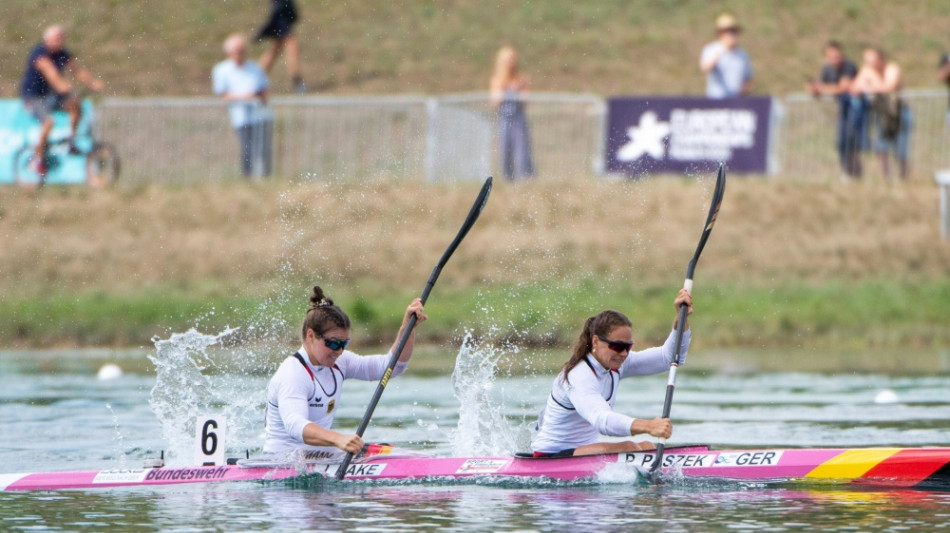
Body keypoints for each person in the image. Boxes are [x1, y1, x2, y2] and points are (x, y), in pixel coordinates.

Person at [262, 286, 426, 459]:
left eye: (344, 344)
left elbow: (392, 367)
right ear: (311, 336)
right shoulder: (293, 372)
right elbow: (295, 425)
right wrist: (338, 439)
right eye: (333, 344)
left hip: (316, 456)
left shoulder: (340, 362)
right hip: (281, 460)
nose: (339, 351)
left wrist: (407, 328)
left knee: (386, 452)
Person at [531, 290, 694, 457]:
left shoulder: (617, 364)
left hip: (581, 453)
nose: (624, 353)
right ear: (596, 341)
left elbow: (668, 358)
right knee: (629, 446)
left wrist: (681, 320)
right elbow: (602, 420)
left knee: (646, 446)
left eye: (628, 347)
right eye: (617, 346)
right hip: (549, 457)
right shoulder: (578, 376)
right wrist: (649, 426)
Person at [20, 25, 104, 178]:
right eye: (57, 39)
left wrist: (92, 83)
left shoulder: (62, 54)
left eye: (61, 39)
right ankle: (37, 160)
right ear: (47, 40)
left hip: (51, 96)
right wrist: (62, 86)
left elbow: (76, 70)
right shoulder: (40, 54)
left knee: (75, 106)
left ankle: (71, 142)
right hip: (33, 97)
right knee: (48, 122)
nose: (60, 42)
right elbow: (51, 74)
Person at [212, 34, 273, 178]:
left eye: (242, 50)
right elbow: (223, 94)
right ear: (229, 53)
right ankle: (247, 177)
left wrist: (256, 96)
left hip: (260, 115)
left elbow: (265, 90)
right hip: (241, 117)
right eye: (237, 51)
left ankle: (266, 178)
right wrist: (244, 98)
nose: (240, 54)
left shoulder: (255, 68)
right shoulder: (222, 70)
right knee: (247, 148)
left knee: (265, 148)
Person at [851, 47, 911, 180]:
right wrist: (866, 85)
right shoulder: (867, 71)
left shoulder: (892, 68)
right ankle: (886, 178)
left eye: (871, 61)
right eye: (866, 61)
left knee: (901, 148)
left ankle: (904, 178)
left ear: (880, 60)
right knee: (881, 146)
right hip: (882, 114)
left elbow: (889, 86)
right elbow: (855, 88)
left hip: (899, 113)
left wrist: (868, 87)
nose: (868, 64)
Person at [808, 41, 861, 179]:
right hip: (843, 109)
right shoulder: (827, 68)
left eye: (837, 56)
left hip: (857, 107)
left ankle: (854, 172)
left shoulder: (849, 66)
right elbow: (816, 88)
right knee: (841, 142)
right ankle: (847, 172)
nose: (834, 60)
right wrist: (815, 89)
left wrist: (825, 89)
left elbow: (843, 87)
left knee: (852, 141)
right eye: (831, 57)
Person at [490, 46, 535, 181]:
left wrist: (519, 88)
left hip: (519, 119)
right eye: (509, 59)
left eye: (513, 59)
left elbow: (524, 101)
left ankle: (525, 177)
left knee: (522, 149)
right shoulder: (497, 80)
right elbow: (495, 101)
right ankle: (507, 178)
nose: (512, 62)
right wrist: (509, 88)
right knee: (505, 151)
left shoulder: (521, 79)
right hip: (504, 119)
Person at [256, 0, 306, 93]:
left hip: (283, 16)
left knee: (276, 50)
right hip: (281, 17)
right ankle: (297, 81)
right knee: (291, 46)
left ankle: (255, 76)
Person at [699, 13, 753, 99]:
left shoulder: (742, 54)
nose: (730, 34)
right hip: (716, 99)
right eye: (726, 31)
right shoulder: (712, 49)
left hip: (736, 101)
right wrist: (722, 50)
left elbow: (748, 77)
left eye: (732, 30)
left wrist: (744, 92)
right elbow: (705, 68)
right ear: (719, 32)